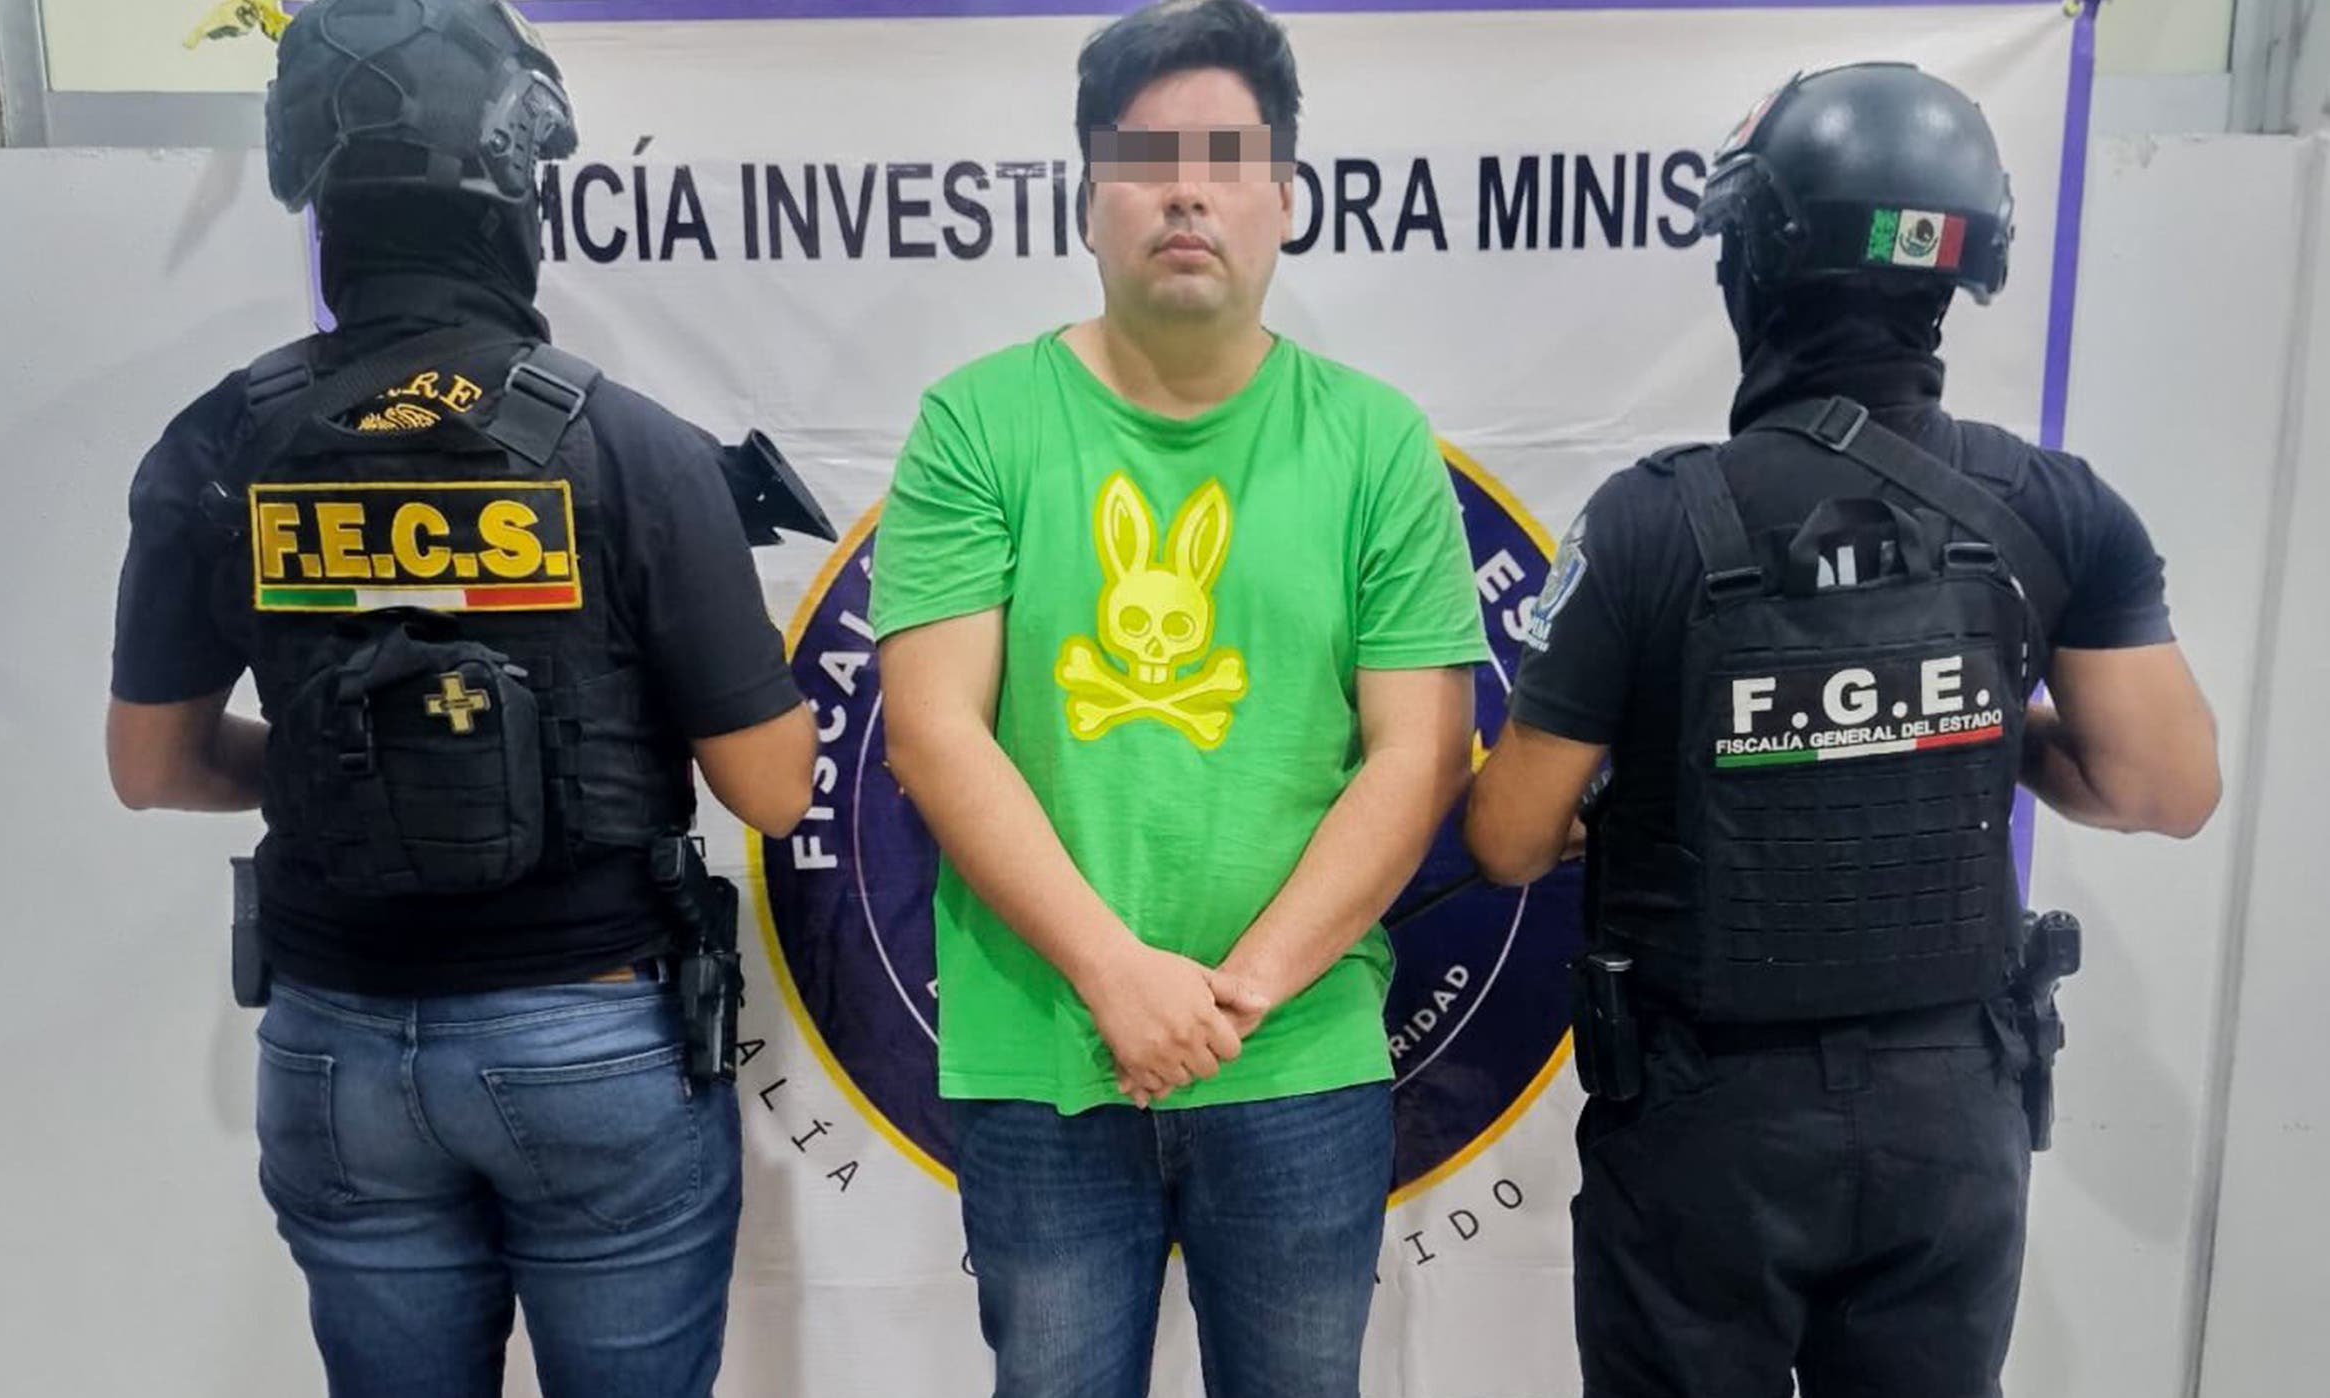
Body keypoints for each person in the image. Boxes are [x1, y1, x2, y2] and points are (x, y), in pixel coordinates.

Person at [1463, 62, 2221, 1398]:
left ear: (1753, 264)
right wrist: (1964, 713)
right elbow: (2164, 785)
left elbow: (1512, 839)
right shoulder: (2054, 507)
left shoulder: (1649, 524)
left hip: (1710, 1121)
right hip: (1952, 1114)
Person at [104, 1, 824, 1392]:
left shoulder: (219, 441)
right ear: (517, 185)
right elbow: (774, 788)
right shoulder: (633, 448)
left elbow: (153, 767)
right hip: (588, 1036)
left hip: (336, 1047)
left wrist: (323, 759)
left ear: (315, 188)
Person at [871, 3, 1487, 1393]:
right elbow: (933, 730)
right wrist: (1116, 976)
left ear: (1287, 198)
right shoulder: (976, 423)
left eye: (1228, 159)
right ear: (1088, 197)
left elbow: (1419, 753)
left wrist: (1234, 995)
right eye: (1147, 159)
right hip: (1043, 1055)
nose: (1187, 193)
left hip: (1299, 1056)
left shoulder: (1375, 441)